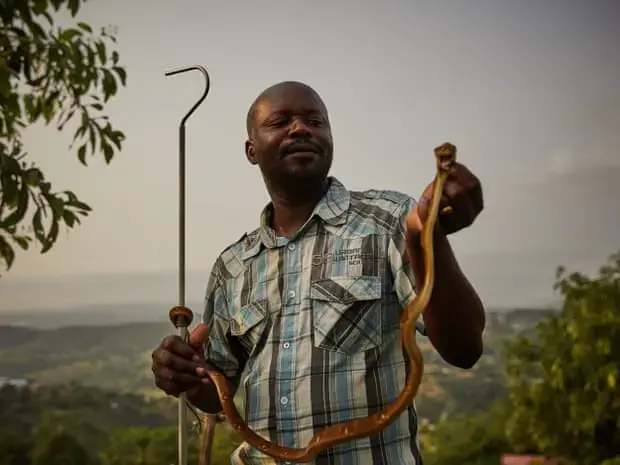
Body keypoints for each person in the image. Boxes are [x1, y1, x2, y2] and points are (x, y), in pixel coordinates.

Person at [151, 81, 486, 465]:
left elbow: (465, 350)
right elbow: (218, 385)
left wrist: (427, 234)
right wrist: (186, 376)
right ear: (251, 151)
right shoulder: (232, 266)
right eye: (280, 122)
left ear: (330, 137)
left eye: (315, 121)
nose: (300, 128)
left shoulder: (391, 220)